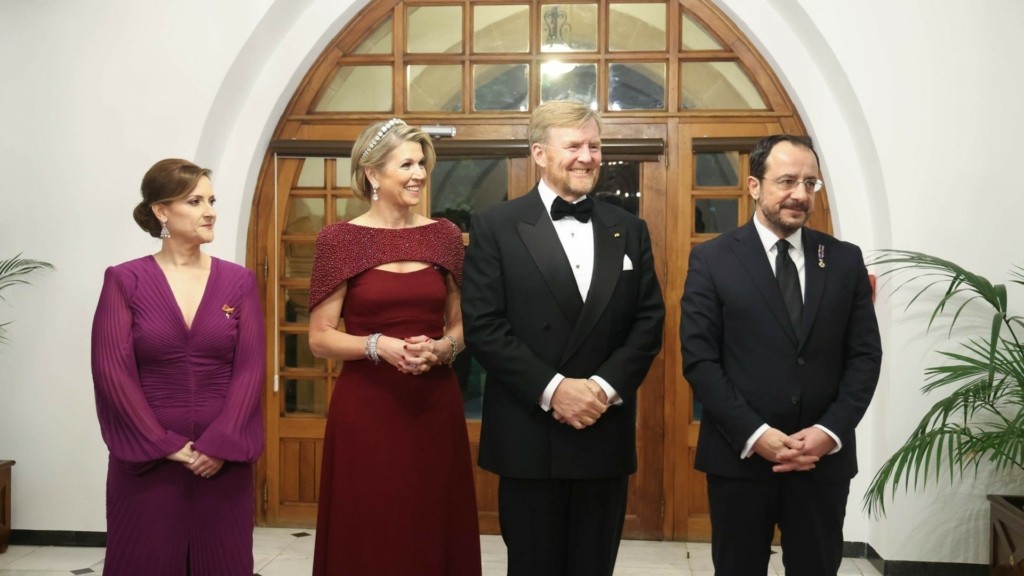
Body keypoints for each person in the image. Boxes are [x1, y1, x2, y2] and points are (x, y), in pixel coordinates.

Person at [461, 100, 665, 576]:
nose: (587, 157)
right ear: (539, 153)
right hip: (529, 435)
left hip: (603, 429)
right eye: (573, 146)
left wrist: (601, 390)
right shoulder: (496, 225)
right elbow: (484, 326)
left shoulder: (629, 229)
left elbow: (648, 321)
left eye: (594, 146)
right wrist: (555, 391)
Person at [680, 134, 882, 575]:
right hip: (740, 458)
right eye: (787, 181)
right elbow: (699, 359)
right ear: (754, 186)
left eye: (810, 183)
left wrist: (829, 432)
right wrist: (756, 434)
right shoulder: (712, 259)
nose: (800, 194)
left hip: (821, 462)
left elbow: (865, 357)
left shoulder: (844, 260)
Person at [307, 118, 482, 576]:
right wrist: (377, 345)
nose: (419, 174)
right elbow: (320, 337)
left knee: (432, 519)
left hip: (434, 403)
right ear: (372, 173)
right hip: (367, 408)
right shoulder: (339, 240)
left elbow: (463, 322)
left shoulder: (444, 235)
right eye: (406, 164)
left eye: (422, 163)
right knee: (373, 522)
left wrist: (444, 348)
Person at [91, 158, 266, 576]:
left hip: (222, 463)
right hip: (148, 462)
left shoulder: (239, 281)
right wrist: (162, 443)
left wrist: (220, 443)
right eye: (195, 201)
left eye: (212, 200)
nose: (210, 211)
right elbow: (111, 371)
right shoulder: (124, 280)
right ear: (162, 211)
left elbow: (251, 368)